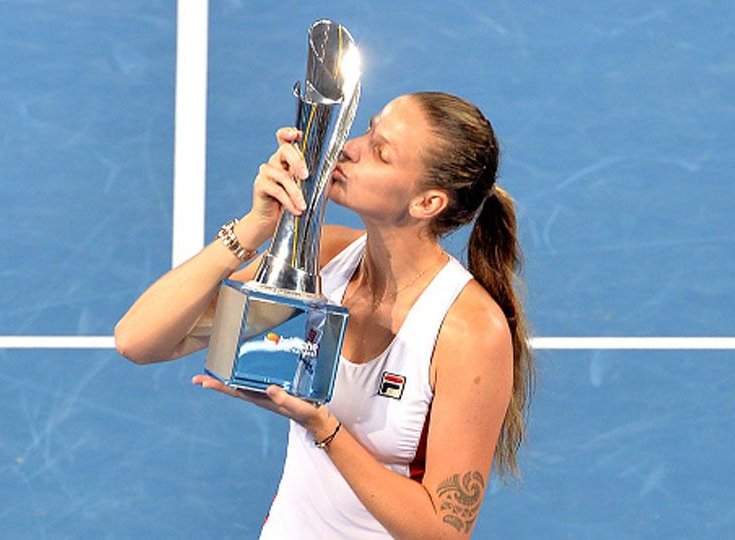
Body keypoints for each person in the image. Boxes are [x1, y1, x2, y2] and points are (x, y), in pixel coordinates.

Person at [115, 91, 535, 539]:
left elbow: (443, 532)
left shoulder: (468, 331)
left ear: (427, 203)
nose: (350, 147)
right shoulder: (322, 260)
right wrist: (253, 228)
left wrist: (321, 425)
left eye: (380, 152)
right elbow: (138, 341)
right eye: (369, 129)